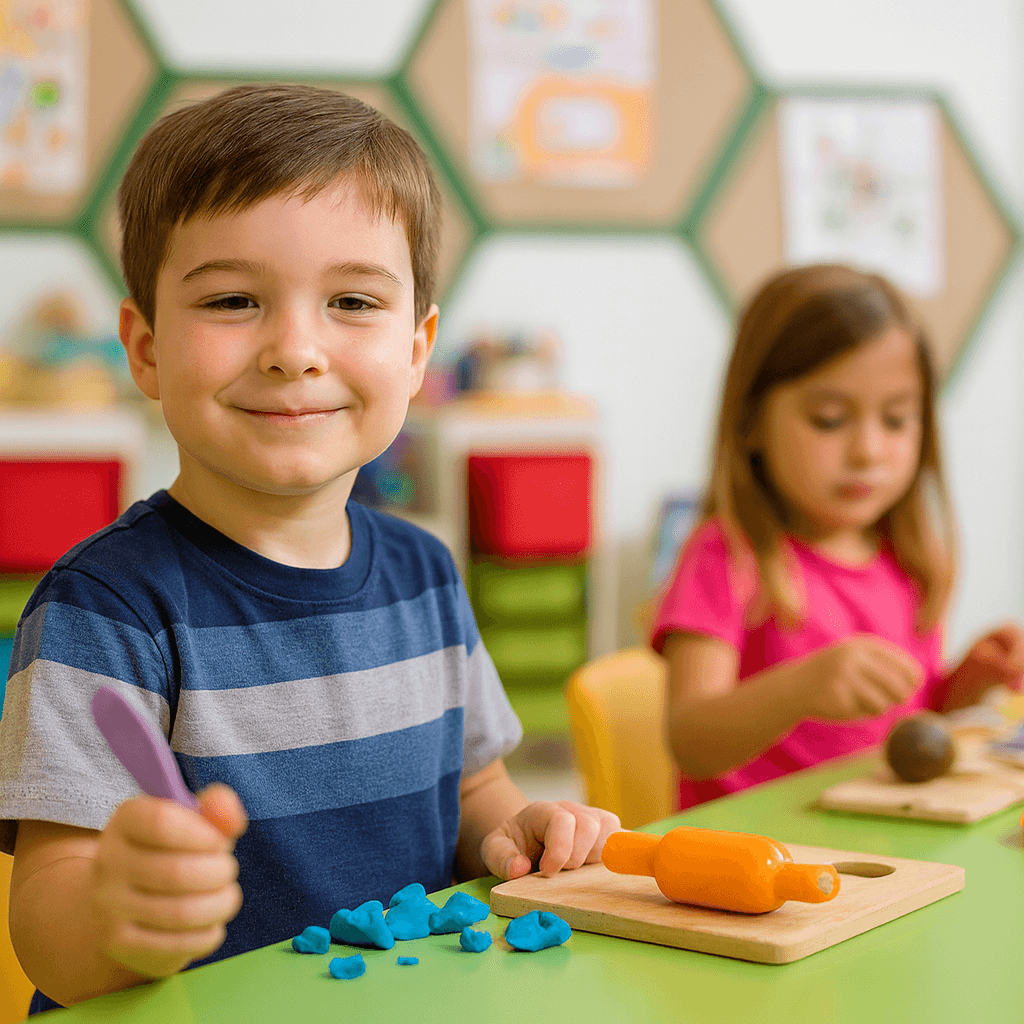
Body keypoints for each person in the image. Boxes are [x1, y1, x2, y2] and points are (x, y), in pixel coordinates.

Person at [0, 84, 619, 1013]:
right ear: (146, 347)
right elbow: (49, 920)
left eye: (352, 300)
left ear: (418, 350)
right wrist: (116, 913)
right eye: (234, 299)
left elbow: (472, 790)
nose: (295, 348)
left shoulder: (425, 574)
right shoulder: (103, 610)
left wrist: (519, 829)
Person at [652, 263, 1024, 811]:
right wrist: (802, 687)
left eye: (896, 420)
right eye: (829, 419)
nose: (868, 451)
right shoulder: (726, 555)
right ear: (752, 421)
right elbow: (691, 742)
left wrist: (959, 689)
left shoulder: (911, 561)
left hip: (875, 853)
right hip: (753, 859)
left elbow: (898, 724)